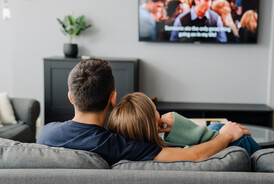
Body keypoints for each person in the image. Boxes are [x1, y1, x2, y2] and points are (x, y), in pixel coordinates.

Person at [37, 58, 251, 165]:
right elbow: (194, 155)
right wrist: (227, 136)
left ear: (71, 97)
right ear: (113, 98)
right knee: (218, 129)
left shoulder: (46, 134)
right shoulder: (118, 146)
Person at [108, 92, 261, 156]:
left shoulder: (132, 149)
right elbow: (197, 154)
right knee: (229, 133)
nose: (159, 113)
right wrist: (227, 134)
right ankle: (263, 155)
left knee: (215, 127)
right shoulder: (160, 155)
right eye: (155, 110)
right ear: (150, 124)